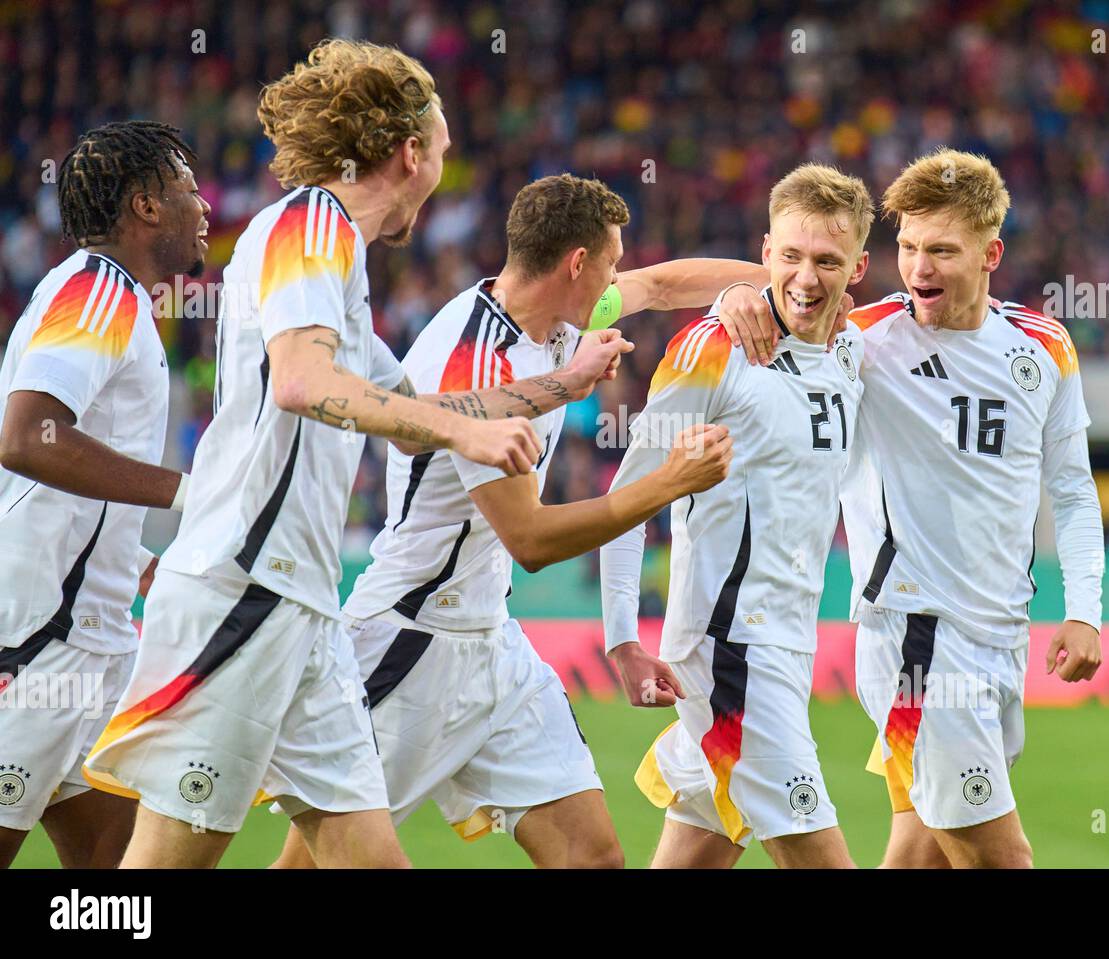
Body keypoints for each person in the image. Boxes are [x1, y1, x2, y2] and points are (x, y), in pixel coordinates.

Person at [82, 39, 627, 869]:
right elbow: (304, 381)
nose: (443, 170)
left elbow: (409, 416)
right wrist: (469, 432)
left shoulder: (342, 261)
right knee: (158, 871)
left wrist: (558, 385)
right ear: (410, 154)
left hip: (305, 609)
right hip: (245, 592)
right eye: (441, 152)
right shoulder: (312, 225)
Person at [271, 173, 758, 869]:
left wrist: (768, 288)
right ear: (576, 265)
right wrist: (667, 484)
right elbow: (528, 538)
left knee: (594, 858)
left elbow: (668, 283)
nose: (621, 278)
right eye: (612, 262)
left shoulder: (560, 318)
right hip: (409, 640)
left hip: (492, 645)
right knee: (311, 866)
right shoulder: (473, 363)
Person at [716, 148, 1105, 868]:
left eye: (942, 251)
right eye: (907, 247)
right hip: (915, 640)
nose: (919, 267)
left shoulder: (1045, 347)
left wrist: (1083, 608)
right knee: (1000, 857)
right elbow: (789, 293)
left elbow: (1074, 489)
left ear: (991, 253)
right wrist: (734, 298)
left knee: (919, 851)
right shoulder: (860, 338)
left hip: (999, 635)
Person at [601, 164, 875, 868]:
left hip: (786, 644)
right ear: (764, 252)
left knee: (697, 849)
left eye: (827, 261)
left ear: (859, 268)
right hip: (731, 652)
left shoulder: (850, 348)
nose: (806, 279)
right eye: (789, 256)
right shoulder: (715, 348)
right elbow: (630, 500)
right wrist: (622, 638)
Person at [0, 121, 209, 868]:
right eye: (187, 187)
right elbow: (28, 435)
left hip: (95, 636)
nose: (204, 204)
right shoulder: (98, 292)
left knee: (117, 864)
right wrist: (192, 491)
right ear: (147, 206)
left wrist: (132, 552)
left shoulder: (114, 299)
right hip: (40, 639)